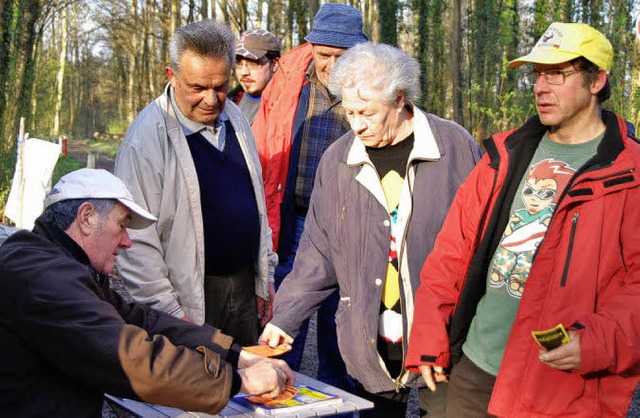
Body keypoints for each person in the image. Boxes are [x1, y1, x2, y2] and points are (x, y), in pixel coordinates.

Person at [405, 22, 640, 417]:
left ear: (597, 80)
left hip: (559, 386)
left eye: (557, 75)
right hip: (475, 370)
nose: (540, 87)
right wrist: (429, 330)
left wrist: (598, 341)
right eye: (537, 75)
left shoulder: (629, 174)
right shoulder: (504, 155)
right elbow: (451, 252)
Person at [259, 43, 482, 417]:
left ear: (399, 99)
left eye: (366, 112)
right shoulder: (338, 161)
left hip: (444, 341)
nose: (357, 124)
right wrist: (285, 318)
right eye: (349, 113)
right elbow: (317, 253)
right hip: (371, 340)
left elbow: (481, 243)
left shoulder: (456, 147)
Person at [0, 168, 294, 417]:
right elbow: (130, 356)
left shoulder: (58, 265)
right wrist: (238, 381)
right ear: (86, 217)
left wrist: (235, 354)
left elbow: (141, 319)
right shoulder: (44, 278)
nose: (127, 242)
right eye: (122, 225)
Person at [114, 19, 277, 346]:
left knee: (247, 385)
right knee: (194, 388)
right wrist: (169, 311)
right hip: (188, 295)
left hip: (243, 287)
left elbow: (257, 207)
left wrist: (264, 280)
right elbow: (135, 239)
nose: (212, 100)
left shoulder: (236, 117)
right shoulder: (146, 140)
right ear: (171, 75)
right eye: (198, 88)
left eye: (219, 86)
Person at [251, 2, 368, 390]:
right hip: (295, 222)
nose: (331, 66)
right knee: (286, 323)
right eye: (324, 55)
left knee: (342, 330)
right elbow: (264, 146)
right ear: (312, 48)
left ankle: (338, 405)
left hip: (353, 226)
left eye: (341, 56)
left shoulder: (378, 82)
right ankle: (282, 398)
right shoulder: (287, 81)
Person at [228, 28, 281, 124]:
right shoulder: (228, 104)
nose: (244, 72)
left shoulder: (288, 107)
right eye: (238, 63)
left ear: (275, 64)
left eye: (253, 63)